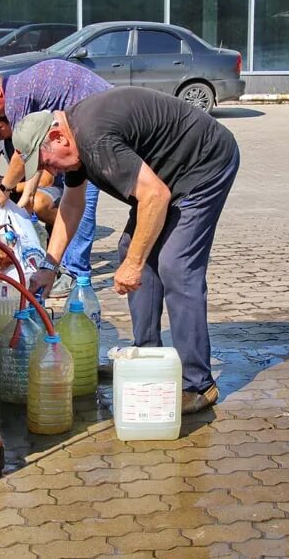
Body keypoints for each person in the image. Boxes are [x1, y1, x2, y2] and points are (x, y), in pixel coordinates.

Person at [15, 86, 240, 414]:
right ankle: (146, 357)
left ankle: (199, 385)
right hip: (167, 177)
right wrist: (50, 265)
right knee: (132, 248)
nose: (51, 171)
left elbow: (155, 196)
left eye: (47, 161)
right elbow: (73, 205)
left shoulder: (93, 138)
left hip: (203, 166)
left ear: (58, 137)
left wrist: (134, 264)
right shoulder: (75, 141)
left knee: (175, 265)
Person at [0, 60, 109, 296]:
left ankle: (77, 275)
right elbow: (34, 153)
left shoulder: (16, 101)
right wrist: (28, 193)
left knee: (81, 206)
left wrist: (5, 187)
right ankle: (64, 267)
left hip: (96, 132)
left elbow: (24, 153)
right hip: (79, 131)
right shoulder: (21, 88)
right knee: (73, 202)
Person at [0, 109, 62, 226]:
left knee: (38, 203)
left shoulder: (30, 136)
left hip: (52, 185)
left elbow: (45, 181)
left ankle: (71, 230)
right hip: (18, 184)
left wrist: (8, 187)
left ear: (11, 123)